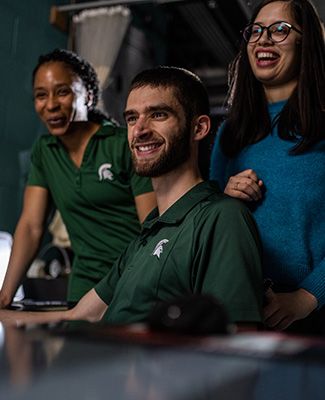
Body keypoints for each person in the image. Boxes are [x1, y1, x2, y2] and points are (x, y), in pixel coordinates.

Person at [0, 66, 263, 330]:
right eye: (131, 118)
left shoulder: (221, 218)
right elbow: (79, 315)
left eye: (158, 114)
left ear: (199, 127)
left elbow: (237, 348)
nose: (140, 130)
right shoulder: (145, 236)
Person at [0, 49, 156, 307]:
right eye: (41, 95)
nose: (50, 104)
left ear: (89, 96)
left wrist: (138, 287)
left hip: (134, 283)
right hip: (83, 288)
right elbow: (31, 226)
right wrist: (6, 295)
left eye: (63, 92)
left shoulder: (122, 144)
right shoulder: (44, 151)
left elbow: (152, 229)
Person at [209, 0, 325, 334]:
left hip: (314, 315)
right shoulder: (232, 132)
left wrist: (306, 297)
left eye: (280, 30)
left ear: (307, 42)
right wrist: (226, 200)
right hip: (245, 312)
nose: (263, 40)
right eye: (256, 31)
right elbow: (211, 227)